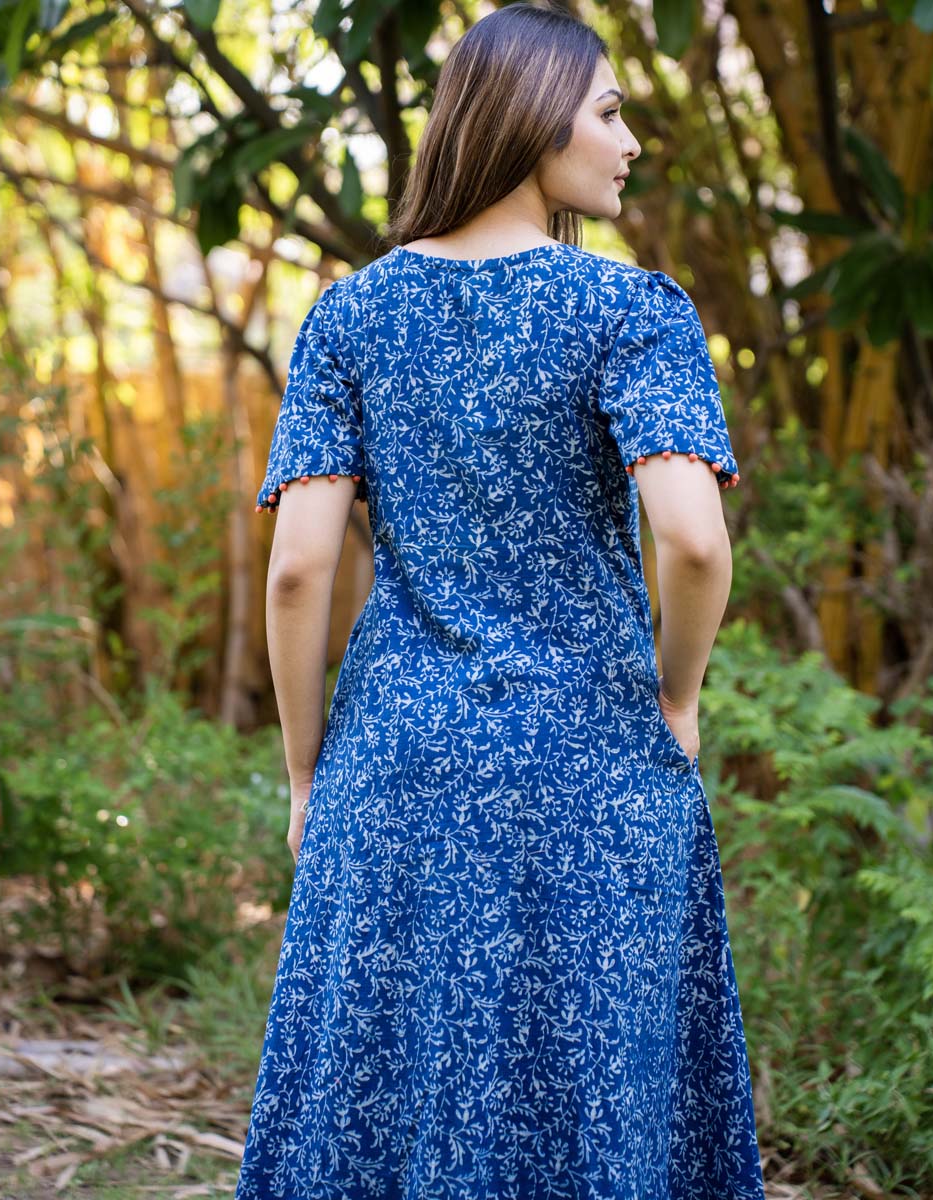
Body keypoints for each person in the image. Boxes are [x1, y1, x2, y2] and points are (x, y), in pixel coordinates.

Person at [235, 3, 765, 1197]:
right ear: (535, 118)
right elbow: (689, 539)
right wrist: (675, 696)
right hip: (592, 749)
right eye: (611, 110)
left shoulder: (349, 316)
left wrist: (308, 770)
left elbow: (299, 570)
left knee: (384, 1089)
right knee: (592, 1091)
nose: (631, 141)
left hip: (396, 754)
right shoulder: (630, 312)